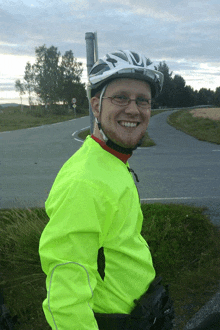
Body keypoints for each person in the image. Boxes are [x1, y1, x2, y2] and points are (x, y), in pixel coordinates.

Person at [39, 50, 175, 330]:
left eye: (143, 101)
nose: (133, 109)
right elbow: (65, 300)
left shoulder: (111, 161)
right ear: (96, 105)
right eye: (121, 97)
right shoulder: (84, 182)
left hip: (142, 313)